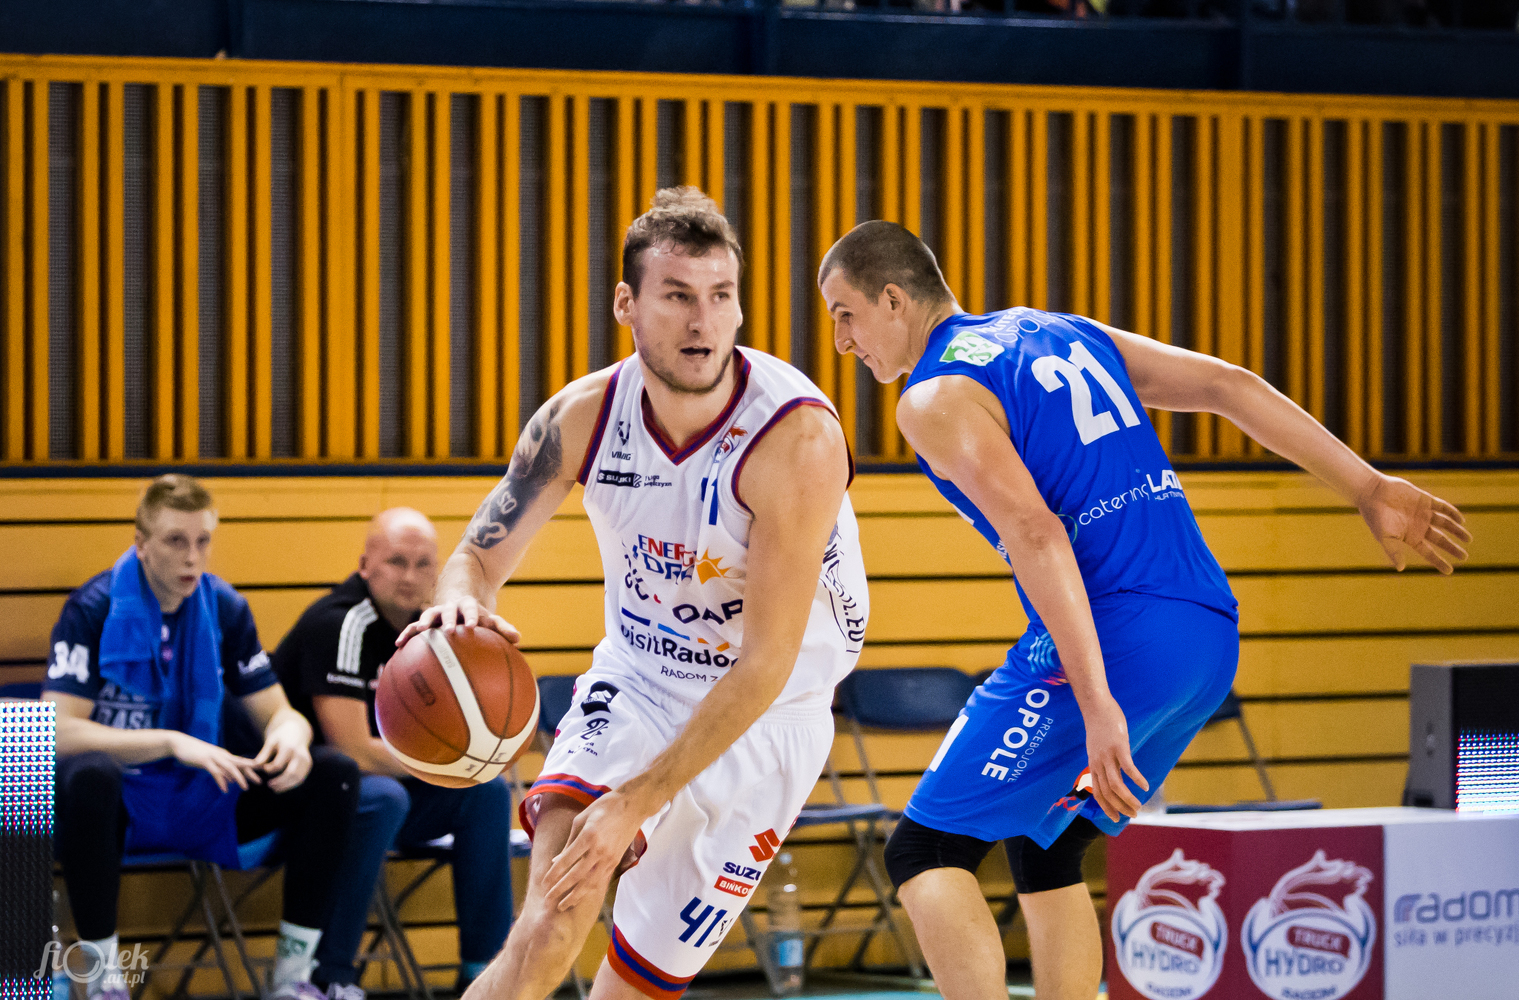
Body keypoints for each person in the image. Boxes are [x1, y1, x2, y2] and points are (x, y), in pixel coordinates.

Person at [816, 220, 1472, 1000]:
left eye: (845, 314)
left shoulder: (933, 396)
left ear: (893, 300)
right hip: (1206, 634)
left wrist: (1096, 702)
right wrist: (1365, 485)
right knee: (1046, 844)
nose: (841, 341)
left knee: (924, 851)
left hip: (1121, 639)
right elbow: (1229, 385)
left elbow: (1036, 532)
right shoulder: (1058, 331)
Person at [396, 186, 867, 1000]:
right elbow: (474, 555)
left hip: (769, 711)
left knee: (631, 989)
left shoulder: (796, 438)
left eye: (720, 296)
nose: (702, 321)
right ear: (626, 304)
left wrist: (634, 805)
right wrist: (459, 603)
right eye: (676, 296)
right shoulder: (581, 417)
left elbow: (762, 666)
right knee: (550, 917)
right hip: (640, 682)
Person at [44, 475, 360, 1000]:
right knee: (91, 775)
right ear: (141, 544)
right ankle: (102, 981)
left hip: (202, 793)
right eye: (175, 540)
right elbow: (56, 730)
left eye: (203, 541)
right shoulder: (93, 608)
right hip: (116, 803)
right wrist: (171, 742)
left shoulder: (225, 607)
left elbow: (280, 714)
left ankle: (292, 978)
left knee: (334, 774)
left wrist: (291, 737)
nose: (192, 557)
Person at [272, 508, 515, 1000]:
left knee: (485, 793)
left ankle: (487, 975)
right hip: (306, 803)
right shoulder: (340, 624)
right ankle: (330, 976)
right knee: (383, 797)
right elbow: (352, 750)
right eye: (396, 561)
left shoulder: (433, 632)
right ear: (365, 566)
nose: (409, 576)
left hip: (386, 798)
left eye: (423, 564)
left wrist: (481, 756)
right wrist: (455, 764)